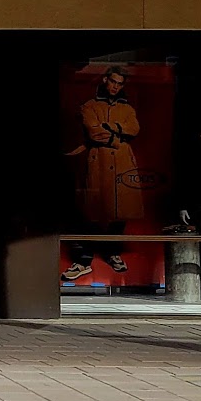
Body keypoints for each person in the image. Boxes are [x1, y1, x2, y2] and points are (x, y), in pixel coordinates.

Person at [64, 66, 140, 281]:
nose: (115, 86)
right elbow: (93, 131)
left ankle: (112, 251)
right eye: (113, 81)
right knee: (92, 210)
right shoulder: (90, 106)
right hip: (99, 160)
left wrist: (110, 125)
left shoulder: (127, 109)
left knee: (120, 210)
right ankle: (84, 259)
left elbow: (134, 128)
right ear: (105, 80)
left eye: (120, 83)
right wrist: (117, 138)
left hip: (122, 163)